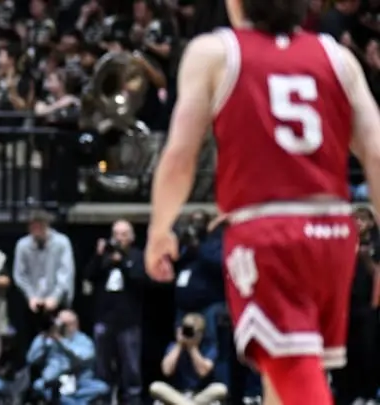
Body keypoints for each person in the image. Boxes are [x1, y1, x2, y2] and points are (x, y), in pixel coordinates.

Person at [144, 0, 380, 404]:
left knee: (294, 374)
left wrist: (159, 229)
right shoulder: (338, 57)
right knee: (282, 375)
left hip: (269, 232)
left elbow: (181, 156)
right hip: (334, 233)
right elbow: (375, 153)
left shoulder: (214, 52)